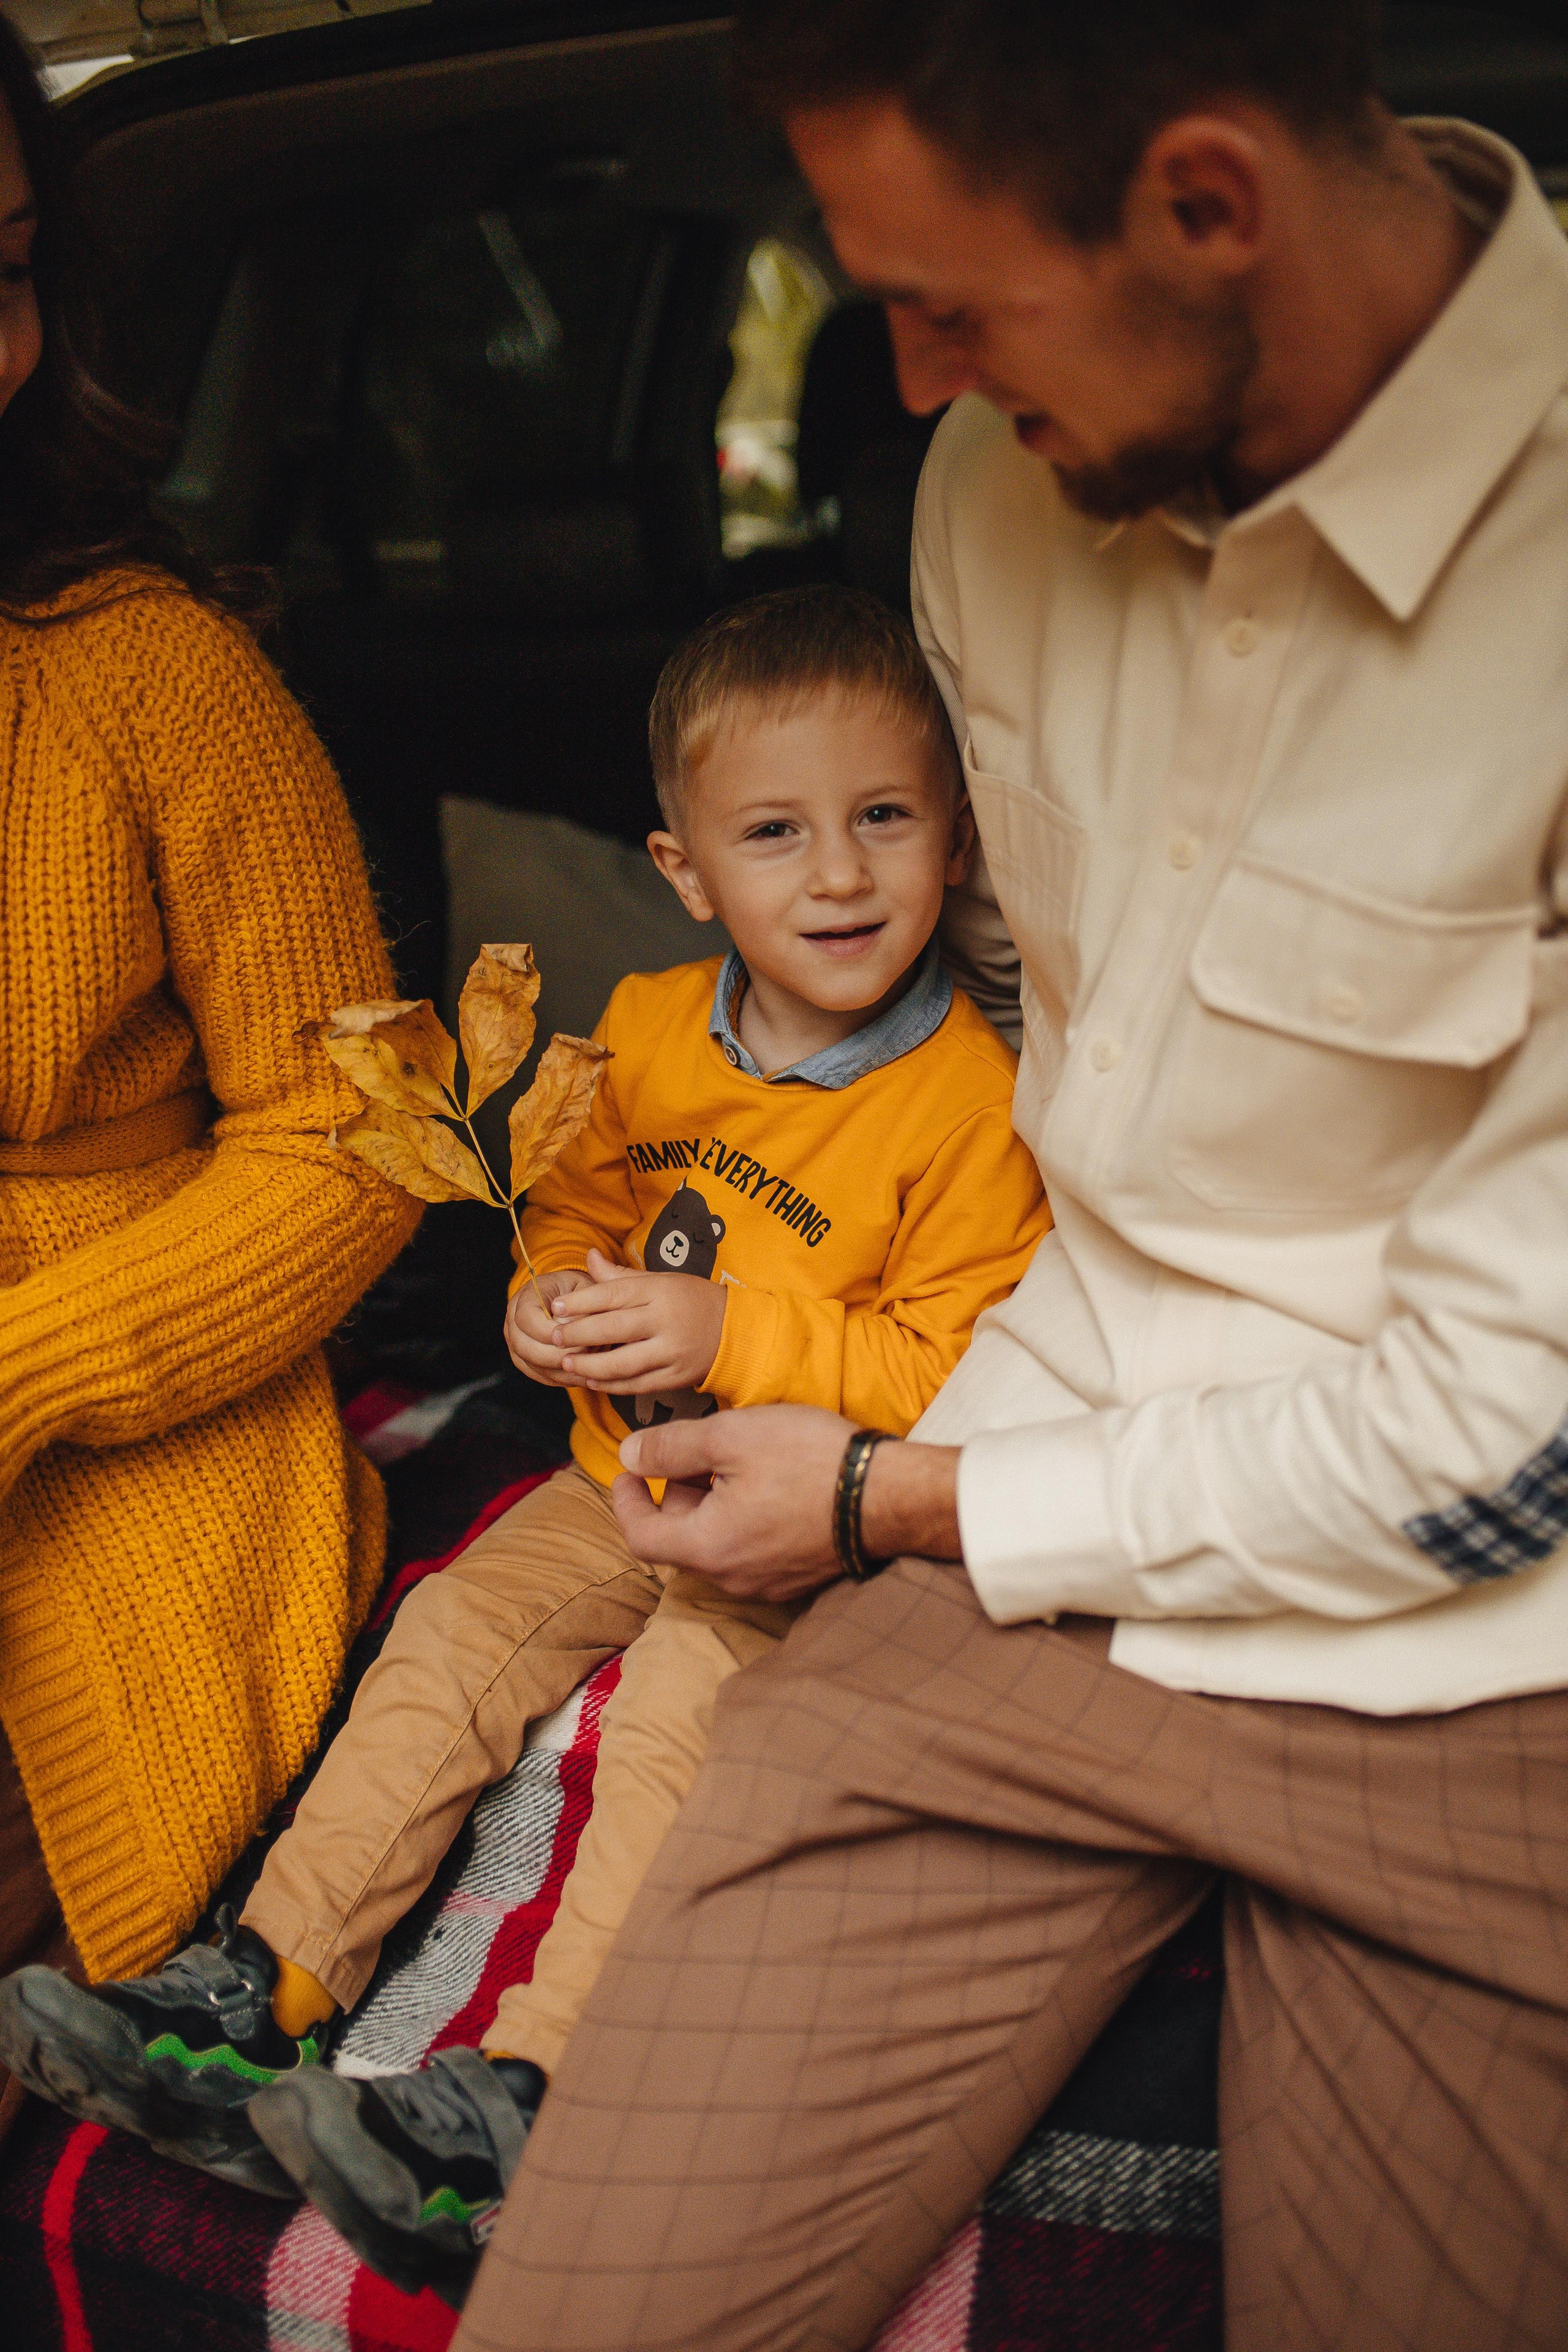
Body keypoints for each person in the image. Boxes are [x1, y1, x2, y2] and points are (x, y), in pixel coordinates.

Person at [442, 6, 1568, 2350]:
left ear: (1206, 201)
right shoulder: (987, 495)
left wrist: (886, 1497)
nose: (917, 384)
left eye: (950, 297)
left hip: (1485, 1675)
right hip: (1014, 1520)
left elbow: (1511, 1446)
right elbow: (1010, 1024)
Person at [1, 583, 1050, 2278]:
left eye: (885, 821)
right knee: (446, 1641)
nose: (840, 876)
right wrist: (544, 1301)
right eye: (777, 834)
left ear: (958, 839)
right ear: (686, 874)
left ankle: (536, 2092)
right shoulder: (640, 1033)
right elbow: (565, 1213)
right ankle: (255, 1993)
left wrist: (739, 1334)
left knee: (669, 1738)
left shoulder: (972, 1103)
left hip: (788, 1541)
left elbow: (958, 1369)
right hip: (602, 1477)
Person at [0, 22, 420, 2150]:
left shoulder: (147, 669)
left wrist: (27, 1368)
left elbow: (361, 1128)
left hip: (140, 1384)